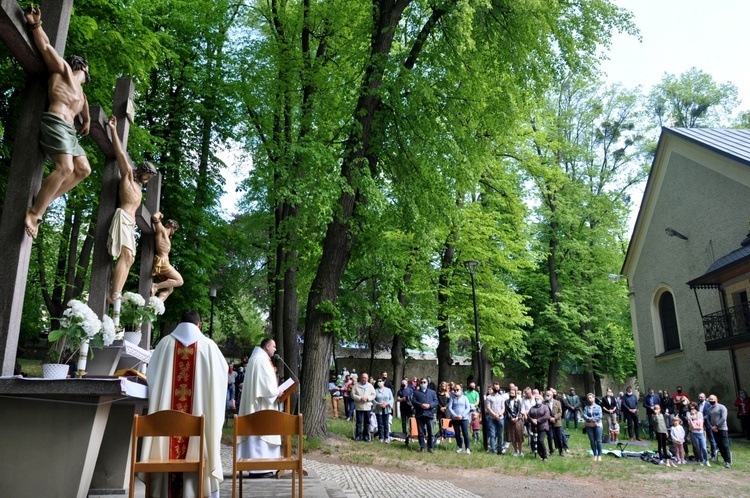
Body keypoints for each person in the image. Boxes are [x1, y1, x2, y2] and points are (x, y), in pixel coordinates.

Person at [23, 5, 92, 239]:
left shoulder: (81, 94)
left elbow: (84, 102)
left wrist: (88, 119)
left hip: (70, 131)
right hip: (56, 122)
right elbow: (45, 47)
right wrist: (35, 24)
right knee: (66, 168)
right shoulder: (62, 70)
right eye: (87, 70)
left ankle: (44, 199)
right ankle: (34, 212)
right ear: (81, 67)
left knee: (84, 169)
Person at [142, 310, 227, 497]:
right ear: (200, 325)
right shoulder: (210, 347)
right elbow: (221, 383)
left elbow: (152, 379)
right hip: (199, 426)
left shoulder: (164, 344)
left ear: (179, 322)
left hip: (166, 428)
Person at [105, 114, 158, 303]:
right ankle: (115, 294)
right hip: (122, 217)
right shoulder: (128, 175)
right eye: (147, 176)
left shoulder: (139, 188)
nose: (148, 180)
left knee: (130, 259)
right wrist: (112, 129)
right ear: (142, 170)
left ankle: (116, 293)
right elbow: (120, 153)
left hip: (131, 223)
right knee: (126, 254)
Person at [237, 337, 283, 476]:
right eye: (274, 346)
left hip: (262, 404)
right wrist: (277, 392)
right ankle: (259, 468)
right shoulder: (260, 360)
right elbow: (266, 386)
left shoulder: (258, 358)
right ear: (267, 347)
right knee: (260, 434)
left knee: (261, 434)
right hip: (261, 406)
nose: (275, 349)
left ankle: (264, 466)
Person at [150, 213, 183, 302]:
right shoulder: (162, 231)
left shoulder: (166, 236)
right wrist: (160, 214)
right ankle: (155, 286)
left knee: (169, 289)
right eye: (174, 230)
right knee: (179, 281)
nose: (174, 232)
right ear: (172, 227)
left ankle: (155, 307)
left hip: (163, 262)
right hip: (162, 262)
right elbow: (155, 217)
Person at [411, 377, 438, 452]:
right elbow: (413, 401)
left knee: (430, 432)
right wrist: (421, 405)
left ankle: (430, 447)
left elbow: (436, 401)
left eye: (424, 382)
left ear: (427, 383)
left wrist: (429, 405)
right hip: (420, 414)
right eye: (421, 382)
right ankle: (422, 447)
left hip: (429, 414)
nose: (423, 384)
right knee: (420, 432)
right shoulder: (416, 392)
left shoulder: (432, 392)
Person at [707, 394, 732, 468]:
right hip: (714, 429)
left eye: (712, 400)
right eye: (710, 400)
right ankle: (725, 459)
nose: (711, 401)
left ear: (716, 399)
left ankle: (728, 461)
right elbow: (708, 419)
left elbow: (724, 418)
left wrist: (716, 426)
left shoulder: (722, 407)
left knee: (725, 445)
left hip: (722, 428)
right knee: (719, 445)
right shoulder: (709, 409)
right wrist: (712, 427)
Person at [448, 384, 472, 454]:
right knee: (457, 433)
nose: (456, 391)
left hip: (464, 418)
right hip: (455, 418)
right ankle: (460, 447)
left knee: (465, 433)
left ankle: (467, 447)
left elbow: (468, 408)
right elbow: (450, 407)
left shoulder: (465, 398)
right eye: (454, 390)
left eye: (457, 390)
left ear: (461, 390)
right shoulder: (452, 398)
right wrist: (455, 415)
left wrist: (462, 415)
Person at [351, 372, 375, 442]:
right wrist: (360, 398)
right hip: (359, 406)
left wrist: (367, 398)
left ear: (367, 379)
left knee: (367, 422)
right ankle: (358, 436)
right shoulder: (356, 385)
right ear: (361, 378)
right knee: (359, 422)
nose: (364, 379)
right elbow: (352, 394)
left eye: (365, 378)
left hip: (367, 407)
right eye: (363, 377)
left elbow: (373, 395)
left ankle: (366, 436)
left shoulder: (370, 386)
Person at [527, 394, 550, 461]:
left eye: (538, 398)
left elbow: (546, 416)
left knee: (541, 440)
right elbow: (528, 416)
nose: (537, 400)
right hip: (534, 427)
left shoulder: (545, 407)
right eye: (536, 399)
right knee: (536, 442)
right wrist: (532, 420)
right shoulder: (532, 408)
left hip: (543, 427)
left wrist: (537, 420)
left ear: (541, 399)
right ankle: (541, 454)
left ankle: (545, 456)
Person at [485, 382, 505, 454]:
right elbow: (488, 408)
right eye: (495, 387)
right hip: (491, 418)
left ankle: (500, 450)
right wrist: (494, 415)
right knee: (492, 435)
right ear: (493, 388)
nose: (496, 388)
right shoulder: (489, 397)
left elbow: (503, 408)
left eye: (497, 387)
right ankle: (493, 449)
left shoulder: (501, 397)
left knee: (500, 435)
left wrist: (499, 415)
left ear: (499, 388)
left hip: (500, 418)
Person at [582, 393, 603, 461]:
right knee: (592, 440)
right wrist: (589, 419)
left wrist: (593, 419)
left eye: (591, 398)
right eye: (588, 398)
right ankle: (595, 454)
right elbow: (584, 415)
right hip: (589, 425)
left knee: (598, 440)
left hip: (597, 424)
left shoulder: (598, 407)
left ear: (594, 398)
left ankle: (599, 455)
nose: (590, 399)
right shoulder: (586, 407)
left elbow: (600, 416)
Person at [373, 378, 394, 443]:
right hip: (379, 409)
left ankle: (386, 437)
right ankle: (381, 437)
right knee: (380, 423)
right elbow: (373, 399)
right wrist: (377, 404)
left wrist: (387, 403)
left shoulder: (388, 390)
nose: (379, 382)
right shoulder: (375, 390)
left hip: (386, 409)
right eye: (378, 381)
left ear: (383, 382)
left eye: (381, 381)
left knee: (386, 423)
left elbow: (392, 399)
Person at [505, 388, 524, 457]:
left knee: (519, 436)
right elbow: (507, 411)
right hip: (510, 420)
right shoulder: (506, 401)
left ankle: (521, 451)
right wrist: (511, 418)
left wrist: (517, 417)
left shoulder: (518, 401)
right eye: (510, 393)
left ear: (515, 394)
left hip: (518, 420)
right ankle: (516, 451)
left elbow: (519, 410)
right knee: (512, 436)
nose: (511, 394)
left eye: (513, 393)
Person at [545, 389, 564, 456]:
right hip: (549, 422)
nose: (546, 396)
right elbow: (545, 412)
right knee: (549, 437)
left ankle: (561, 450)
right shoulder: (544, 403)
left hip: (557, 422)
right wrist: (550, 418)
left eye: (548, 395)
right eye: (546, 395)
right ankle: (551, 451)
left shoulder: (557, 402)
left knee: (559, 437)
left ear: (552, 395)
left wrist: (555, 417)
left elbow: (560, 412)